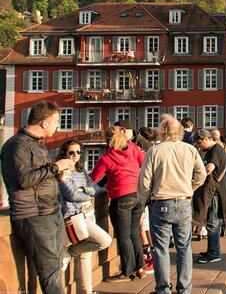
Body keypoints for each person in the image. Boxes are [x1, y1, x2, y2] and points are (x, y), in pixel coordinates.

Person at [1, 102, 74, 294]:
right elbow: (23, 180)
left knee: (55, 267)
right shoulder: (16, 146)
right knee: (50, 273)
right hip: (34, 215)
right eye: (56, 122)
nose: (58, 126)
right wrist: (55, 167)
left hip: (51, 212)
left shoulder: (38, 145)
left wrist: (57, 176)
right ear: (44, 122)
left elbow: (40, 178)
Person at [137, 114, 206, 294]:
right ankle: (184, 289)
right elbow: (202, 175)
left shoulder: (155, 150)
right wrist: (190, 189)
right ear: (180, 132)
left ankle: (163, 289)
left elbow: (144, 182)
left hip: (160, 203)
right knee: (184, 248)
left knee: (160, 249)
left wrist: (145, 200)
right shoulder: (190, 150)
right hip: (183, 202)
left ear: (162, 132)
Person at [90, 125, 146, 282]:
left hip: (121, 196)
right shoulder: (134, 148)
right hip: (137, 194)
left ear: (107, 140)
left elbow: (92, 179)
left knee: (123, 236)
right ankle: (140, 268)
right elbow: (144, 163)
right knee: (134, 232)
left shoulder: (106, 158)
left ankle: (127, 271)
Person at [57, 140, 112, 294]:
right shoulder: (62, 172)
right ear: (64, 154)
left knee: (86, 257)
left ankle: (86, 291)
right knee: (105, 240)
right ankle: (70, 252)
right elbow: (72, 195)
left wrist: (85, 190)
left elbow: (95, 188)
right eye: (71, 152)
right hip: (74, 216)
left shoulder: (81, 171)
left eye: (78, 152)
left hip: (88, 214)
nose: (75, 156)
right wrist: (87, 193)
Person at [191, 130, 226, 265]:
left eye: (199, 143)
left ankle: (214, 253)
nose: (198, 146)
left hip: (215, 192)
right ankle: (211, 250)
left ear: (206, 139)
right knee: (211, 222)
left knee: (213, 223)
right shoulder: (214, 149)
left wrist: (197, 174)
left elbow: (209, 168)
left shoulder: (215, 151)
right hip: (214, 190)